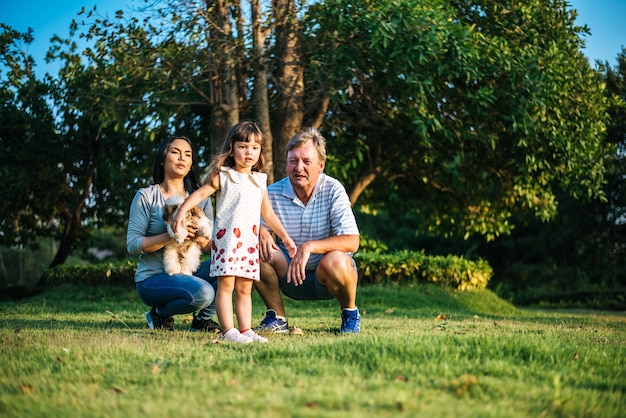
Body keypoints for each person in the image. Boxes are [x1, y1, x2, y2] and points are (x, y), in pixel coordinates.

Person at [171, 121, 297, 344]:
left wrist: (285, 237)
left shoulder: (259, 181)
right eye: (243, 146)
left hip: (248, 244)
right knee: (226, 287)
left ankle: (245, 329)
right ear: (232, 148)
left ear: (260, 152)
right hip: (227, 242)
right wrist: (182, 211)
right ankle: (228, 330)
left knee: (245, 288)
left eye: (255, 148)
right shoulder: (224, 176)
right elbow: (199, 195)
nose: (249, 152)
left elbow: (268, 214)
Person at [254, 127, 361, 334]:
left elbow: (352, 241)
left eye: (306, 161)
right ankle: (277, 317)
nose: (298, 168)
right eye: (293, 161)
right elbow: (253, 227)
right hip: (289, 272)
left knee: (338, 259)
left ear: (321, 165)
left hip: (327, 274)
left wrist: (309, 247)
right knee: (253, 248)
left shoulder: (333, 189)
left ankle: (350, 313)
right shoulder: (272, 192)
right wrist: (262, 231)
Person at [126, 135, 219, 332]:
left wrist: (198, 237)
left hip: (187, 271)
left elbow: (210, 248)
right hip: (152, 279)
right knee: (203, 293)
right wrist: (173, 235)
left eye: (187, 154)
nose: (182, 158)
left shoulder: (200, 199)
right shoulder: (146, 196)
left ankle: (203, 321)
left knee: (228, 265)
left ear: (191, 163)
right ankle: (159, 313)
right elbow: (133, 246)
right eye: (175, 152)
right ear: (162, 158)